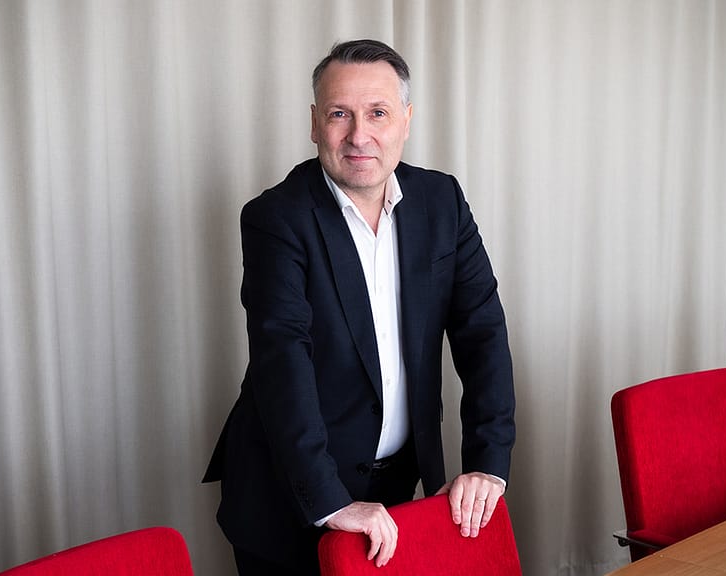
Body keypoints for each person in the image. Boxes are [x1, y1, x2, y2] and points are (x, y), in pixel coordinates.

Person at [203, 39, 515, 575]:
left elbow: (482, 331)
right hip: (291, 497)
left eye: (378, 113)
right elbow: (282, 361)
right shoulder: (275, 218)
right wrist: (331, 502)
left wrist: (487, 463)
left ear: (406, 121)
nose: (358, 135)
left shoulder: (442, 201)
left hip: (396, 491)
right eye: (339, 114)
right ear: (314, 123)